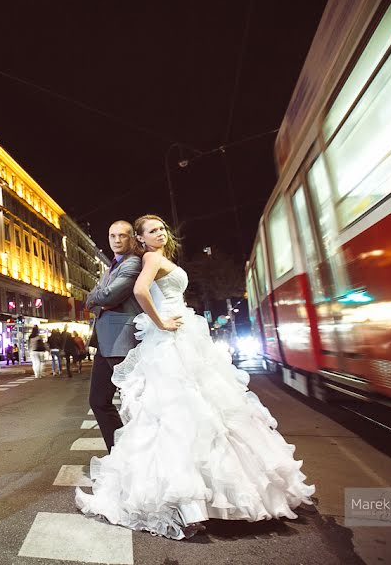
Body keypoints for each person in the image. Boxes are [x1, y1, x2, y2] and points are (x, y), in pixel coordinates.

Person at [76, 215, 315, 540]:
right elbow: (133, 292)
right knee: (173, 411)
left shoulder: (144, 260)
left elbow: (108, 295)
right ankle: (184, 494)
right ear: (142, 239)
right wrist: (159, 322)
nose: (159, 233)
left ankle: (204, 494)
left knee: (196, 409)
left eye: (161, 228)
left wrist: (107, 301)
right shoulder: (146, 259)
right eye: (152, 230)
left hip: (178, 336)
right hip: (166, 338)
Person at [85, 220, 143, 452]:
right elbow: (98, 297)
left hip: (122, 343)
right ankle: (120, 451)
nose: (117, 240)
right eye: (112, 236)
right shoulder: (113, 265)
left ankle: (140, 454)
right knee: (98, 401)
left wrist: (97, 300)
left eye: (123, 236)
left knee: (133, 404)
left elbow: (108, 296)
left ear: (132, 238)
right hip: (105, 344)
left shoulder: (133, 263)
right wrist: (98, 300)